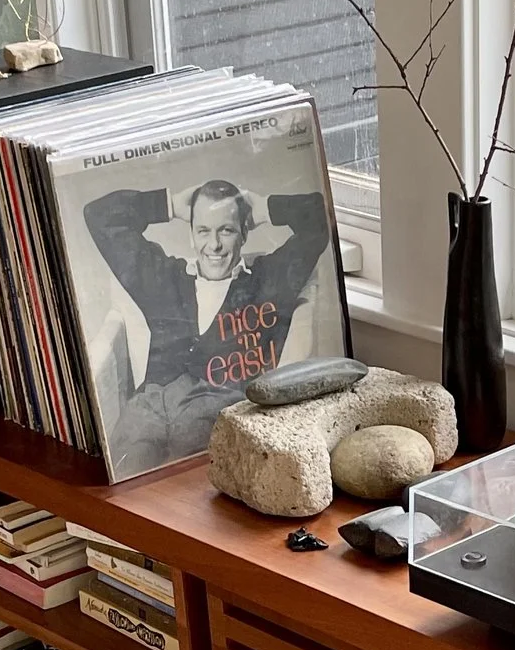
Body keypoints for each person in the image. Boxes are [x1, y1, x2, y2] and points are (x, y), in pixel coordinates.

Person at [84, 178, 332, 471]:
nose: (213, 245)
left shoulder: (269, 279)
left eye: (225, 230)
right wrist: (170, 204)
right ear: (191, 235)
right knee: (119, 485)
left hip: (215, 408)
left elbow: (320, 217)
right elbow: (99, 215)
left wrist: (264, 208)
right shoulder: (164, 276)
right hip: (147, 409)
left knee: (188, 494)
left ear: (243, 233)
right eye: (203, 230)